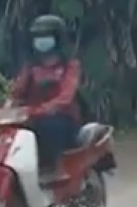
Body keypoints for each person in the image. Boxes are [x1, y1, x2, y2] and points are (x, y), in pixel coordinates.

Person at [6, 14, 83, 180]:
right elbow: (16, 92)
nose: (41, 41)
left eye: (46, 37)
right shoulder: (31, 68)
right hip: (32, 117)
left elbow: (66, 97)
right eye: (38, 37)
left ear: (57, 39)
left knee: (51, 124)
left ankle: (56, 167)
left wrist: (43, 109)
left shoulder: (70, 67)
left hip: (62, 119)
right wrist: (8, 106)